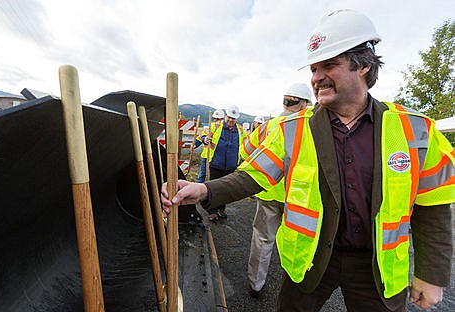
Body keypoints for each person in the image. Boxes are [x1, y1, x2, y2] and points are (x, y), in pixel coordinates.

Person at [161, 9, 454, 312]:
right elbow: (252, 176)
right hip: (311, 261)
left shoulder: (416, 131)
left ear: (364, 66)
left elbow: (433, 207)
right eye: (314, 69)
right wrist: (204, 190)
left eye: (329, 65)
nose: (316, 78)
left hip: (376, 267)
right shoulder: (294, 130)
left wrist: (431, 275)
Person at [241, 82, 312, 298]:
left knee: (262, 238)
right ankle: (295, 285)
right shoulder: (310, 126)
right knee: (298, 241)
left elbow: (246, 151)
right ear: (305, 104)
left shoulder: (268, 126)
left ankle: (256, 284)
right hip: (299, 197)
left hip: (268, 192)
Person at [202, 105, 247, 221]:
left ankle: (222, 209)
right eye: (229, 117)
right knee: (213, 188)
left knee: (226, 189)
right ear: (225, 116)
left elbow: (247, 145)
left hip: (231, 165)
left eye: (233, 118)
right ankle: (212, 211)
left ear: (236, 119)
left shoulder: (241, 130)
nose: (231, 120)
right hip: (216, 163)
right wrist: (205, 139)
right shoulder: (216, 126)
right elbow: (203, 134)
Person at [194, 109, 225, 183]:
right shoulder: (211, 126)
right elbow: (202, 136)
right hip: (207, 155)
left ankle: (210, 190)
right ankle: (199, 189)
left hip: (217, 157)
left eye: (218, 119)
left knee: (213, 176)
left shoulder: (226, 129)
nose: (216, 120)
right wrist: (197, 143)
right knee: (203, 175)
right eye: (215, 118)